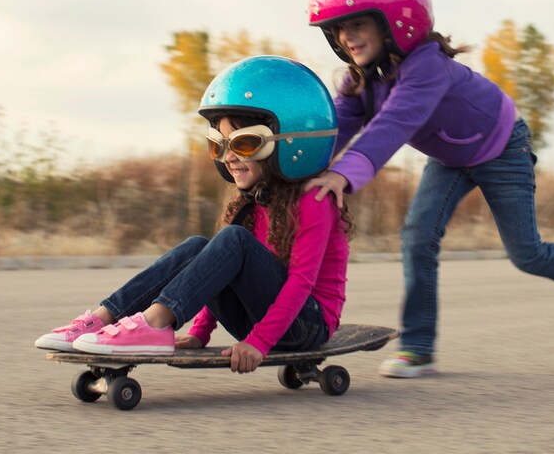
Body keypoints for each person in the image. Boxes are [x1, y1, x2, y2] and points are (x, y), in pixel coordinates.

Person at [305, 0, 554, 378]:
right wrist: (296, 164)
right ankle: (417, 346)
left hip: (503, 146)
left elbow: (392, 126)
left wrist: (343, 173)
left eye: (357, 24)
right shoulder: (361, 82)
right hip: (451, 158)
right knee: (417, 237)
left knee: (527, 254)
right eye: (338, 29)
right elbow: (334, 128)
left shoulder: (426, 67)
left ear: (395, 19)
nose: (346, 37)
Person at [35, 56, 351, 374]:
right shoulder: (256, 198)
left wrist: (259, 342)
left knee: (233, 240)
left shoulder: (315, 199)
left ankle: (155, 323)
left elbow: (300, 282)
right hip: (263, 319)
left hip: (306, 326)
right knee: (199, 246)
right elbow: (216, 271)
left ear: (292, 140)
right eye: (219, 145)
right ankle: (102, 320)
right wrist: (200, 331)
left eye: (243, 144)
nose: (228, 157)